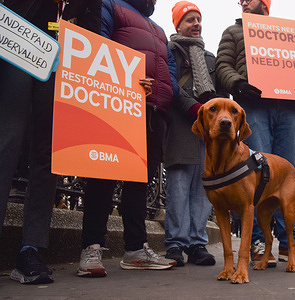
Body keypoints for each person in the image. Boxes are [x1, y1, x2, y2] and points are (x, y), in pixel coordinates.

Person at [216, 0, 295, 266]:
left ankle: (289, 243)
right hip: (254, 108)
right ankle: (255, 241)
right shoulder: (234, 31)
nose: (243, 2)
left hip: (289, 110)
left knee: (286, 173)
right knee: (254, 173)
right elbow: (222, 66)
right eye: (240, 0)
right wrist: (238, 84)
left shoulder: (286, 33)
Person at [0, 0, 101, 284]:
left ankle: (30, 249)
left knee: (49, 155)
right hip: (16, 45)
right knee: (6, 142)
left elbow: (94, 34)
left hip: (62, 65)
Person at [77, 0, 179, 277]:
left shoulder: (159, 30)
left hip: (154, 109)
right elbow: (98, 48)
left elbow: (169, 68)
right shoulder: (111, 5)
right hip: (118, 103)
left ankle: (135, 249)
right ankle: (91, 247)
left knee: (140, 181)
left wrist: (167, 90)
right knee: (103, 176)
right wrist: (129, 79)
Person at [163, 1, 222, 267]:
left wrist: (218, 118)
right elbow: (170, 84)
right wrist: (195, 108)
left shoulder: (210, 58)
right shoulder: (169, 50)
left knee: (202, 188)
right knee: (178, 187)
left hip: (208, 131)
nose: (196, 24)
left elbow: (221, 93)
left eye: (198, 19)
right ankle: (175, 244)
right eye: (189, 20)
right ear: (178, 24)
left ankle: (197, 244)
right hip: (181, 124)